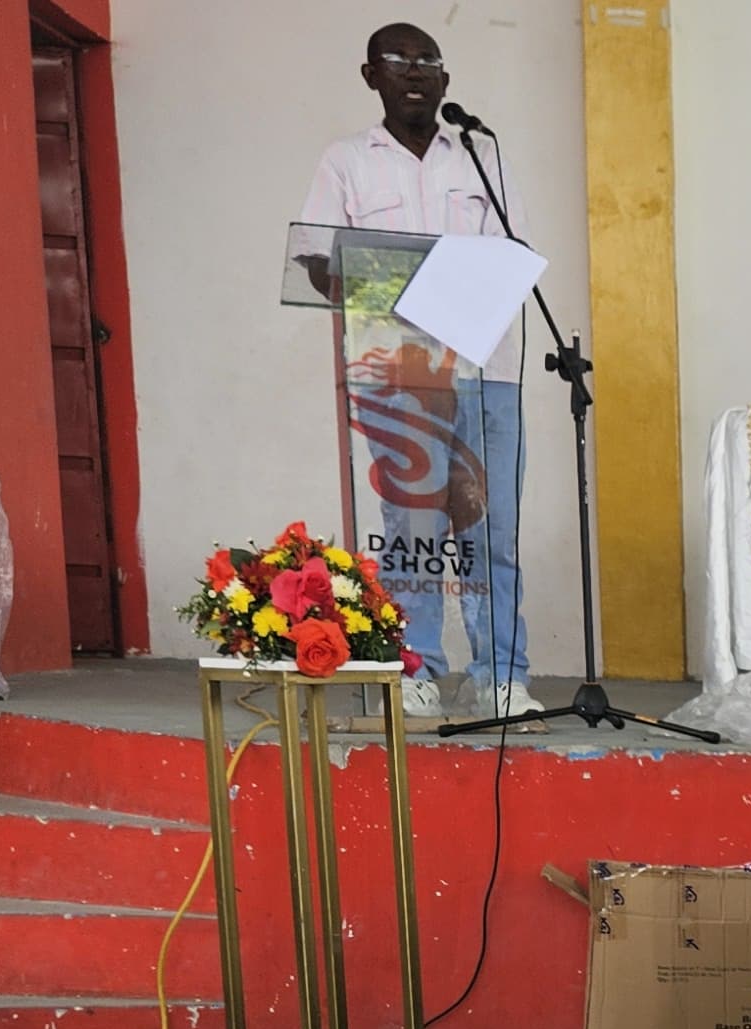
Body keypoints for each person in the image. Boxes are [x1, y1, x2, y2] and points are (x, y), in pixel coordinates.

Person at [296, 21, 530, 722]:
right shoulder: (347, 161)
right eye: (398, 60)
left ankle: (500, 674)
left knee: (491, 529)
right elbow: (317, 261)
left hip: (485, 369)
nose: (415, 70)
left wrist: (449, 293)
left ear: (445, 79)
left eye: (428, 59)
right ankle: (416, 667)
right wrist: (385, 287)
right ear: (371, 76)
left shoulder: (481, 155)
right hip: (397, 371)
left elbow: (511, 253)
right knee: (414, 531)